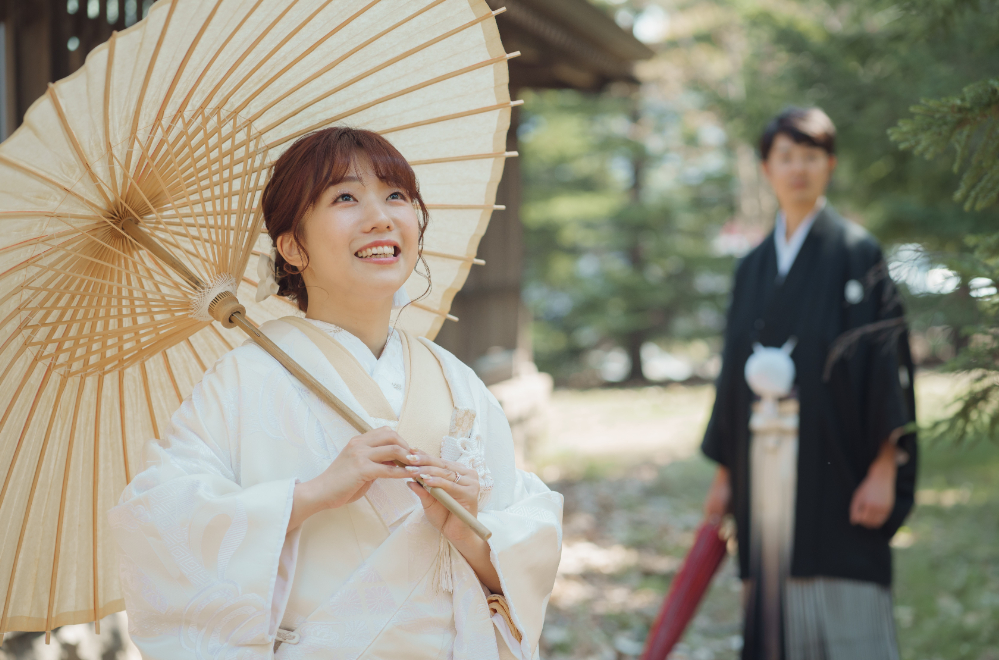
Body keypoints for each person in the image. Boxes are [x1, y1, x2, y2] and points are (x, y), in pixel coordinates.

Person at [109, 127, 563, 659]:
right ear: (292, 247)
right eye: (345, 197)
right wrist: (313, 493)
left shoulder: (455, 379)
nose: (380, 216)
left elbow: (522, 557)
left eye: (396, 195)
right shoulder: (244, 380)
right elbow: (159, 523)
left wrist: (468, 531)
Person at [701, 107, 917, 660]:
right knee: (770, 598)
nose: (798, 168)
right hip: (760, 460)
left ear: (830, 165)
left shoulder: (857, 252)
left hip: (840, 460)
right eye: (786, 156)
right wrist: (726, 471)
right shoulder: (751, 266)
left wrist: (885, 467)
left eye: (811, 156)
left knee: (845, 595)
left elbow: (886, 363)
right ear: (767, 168)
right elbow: (732, 373)